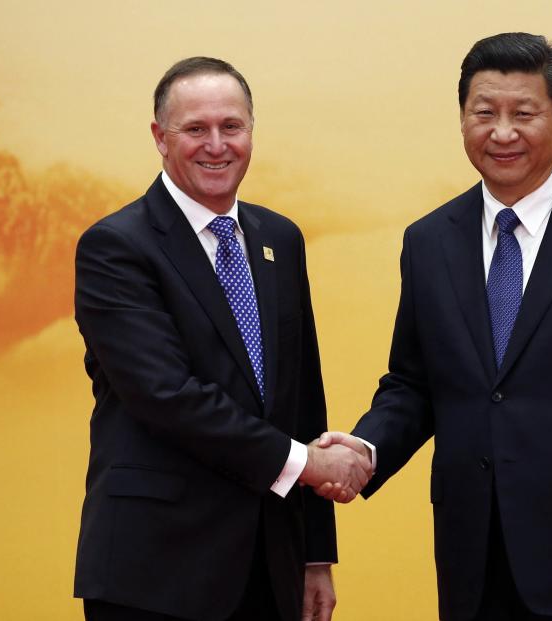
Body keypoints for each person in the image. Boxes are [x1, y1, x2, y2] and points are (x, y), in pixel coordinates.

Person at [319, 33, 552, 620]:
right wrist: (367, 449)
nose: (502, 133)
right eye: (484, 113)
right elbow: (415, 382)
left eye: (524, 114)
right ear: (463, 118)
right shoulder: (429, 240)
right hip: (475, 549)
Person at [73, 57, 371, 621]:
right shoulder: (116, 247)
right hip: (156, 572)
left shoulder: (280, 239)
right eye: (195, 129)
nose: (216, 145)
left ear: (251, 132)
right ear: (160, 138)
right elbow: (166, 395)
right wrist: (306, 464)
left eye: (231, 127)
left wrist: (314, 556)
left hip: (269, 565)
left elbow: (303, 395)